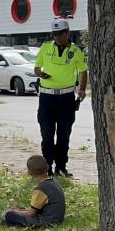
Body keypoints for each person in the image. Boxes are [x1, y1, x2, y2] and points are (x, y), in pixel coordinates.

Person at [34, 18, 88, 178]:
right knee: (47, 133)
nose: (56, 37)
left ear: (67, 33)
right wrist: (40, 73)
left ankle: (61, 166)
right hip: (47, 97)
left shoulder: (76, 51)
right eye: (54, 34)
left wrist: (83, 89)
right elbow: (37, 67)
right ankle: (47, 167)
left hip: (66, 98)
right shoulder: (45, 48)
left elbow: (83, 71)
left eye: (60, 34)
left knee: (64, 134)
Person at [2, 155, 66, 228]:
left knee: (9, 215)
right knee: (20, 210)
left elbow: (30, 213)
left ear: (29, 172)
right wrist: (19, 210)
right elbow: (37, 208)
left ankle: (12, 221)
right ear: (47, 167)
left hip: (48, 222)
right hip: (57, 218)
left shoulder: (41, 189)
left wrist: (13, 212)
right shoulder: (54, 183)